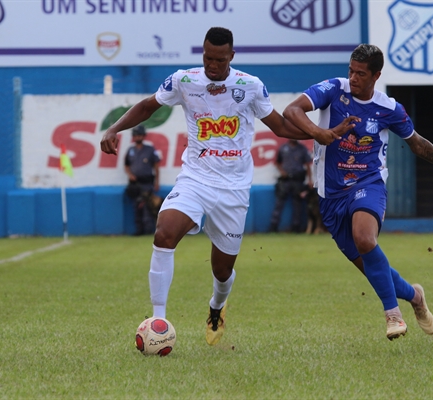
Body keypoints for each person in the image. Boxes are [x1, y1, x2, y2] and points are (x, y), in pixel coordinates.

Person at [100, 27, 358, 345]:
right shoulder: (184, 80)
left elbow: (280, 126)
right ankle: (158, 320)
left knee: (222, 271)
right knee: (164, 232)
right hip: (195, 179)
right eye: (208, 57)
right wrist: (114, 128)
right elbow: (147, 106)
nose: (212, 64)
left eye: (220, 59)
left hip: (234, 189)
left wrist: (321, 133)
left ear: (231, 56)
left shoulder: (249, 86)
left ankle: (217, 306)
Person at [283, 44, 433, 340]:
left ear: (376, 75)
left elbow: (417, 143)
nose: (353, 78)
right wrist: (318, 132)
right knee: (374, 270)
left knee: (365, 239)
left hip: (369, 183)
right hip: (330, 195)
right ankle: (415, 296)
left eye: (361, 74)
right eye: (351, 70)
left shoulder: (389, 109)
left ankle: (393, 315)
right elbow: (291, 111)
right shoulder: (333, 89)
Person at [124, 125, 161, 236]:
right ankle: (139, 230)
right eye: (136, 135)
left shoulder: (149, 150)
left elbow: (156, 167)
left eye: (139, 135)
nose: (137, 137)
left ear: (143, 136)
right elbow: (126, 166)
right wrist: (130, 174)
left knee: (147, 206)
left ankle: (148, 229)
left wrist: (157, 182)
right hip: (136, 184)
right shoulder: (130, 150)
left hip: (147, 183)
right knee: (136, 206)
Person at [269, 139, 312, 233]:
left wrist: (310, 179)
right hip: (285, 180)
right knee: (279, 204)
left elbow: (308, 165)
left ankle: (296, 227)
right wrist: (282, 172)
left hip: (298, 180)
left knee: (297, 205)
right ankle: (273, 226)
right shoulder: (283, 148)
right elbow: (277, 162)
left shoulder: (302, 149)